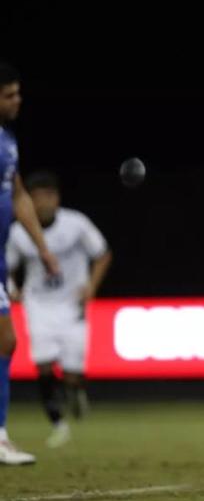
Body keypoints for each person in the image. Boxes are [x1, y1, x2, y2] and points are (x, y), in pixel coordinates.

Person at [6, 171, 111, 448]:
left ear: (57, 198)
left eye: (47, 196)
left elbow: (102, 254)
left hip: (71, 305)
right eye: (36, 197)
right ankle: (58, 424)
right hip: (38, 305)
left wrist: (91, 286)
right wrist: (11, 288)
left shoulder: (75, 224)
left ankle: (76, 391)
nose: (42, 203)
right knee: (42, 366)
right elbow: (6, 265)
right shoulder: (18, 232)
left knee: (72, 373)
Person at [0, 61, 61, 465]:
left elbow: (19, 194)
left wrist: (41, 246)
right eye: (9, 95)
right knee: (5, 340)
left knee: (6, 341)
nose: (17, 100)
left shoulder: (7, 141)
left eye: (18, 93)